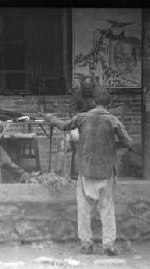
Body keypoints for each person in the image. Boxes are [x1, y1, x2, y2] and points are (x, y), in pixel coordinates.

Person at [43, 90, 132, 256]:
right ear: (109, 104)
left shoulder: (82, 117)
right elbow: (128, 142)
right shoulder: (113, 120)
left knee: (84, 209)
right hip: (106, 171)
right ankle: (108, 246)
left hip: (85, 171)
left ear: (93, 102)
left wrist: (51, 118)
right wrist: (112, 147)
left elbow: (63, 126)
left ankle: (86, 244)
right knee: (107, 210)